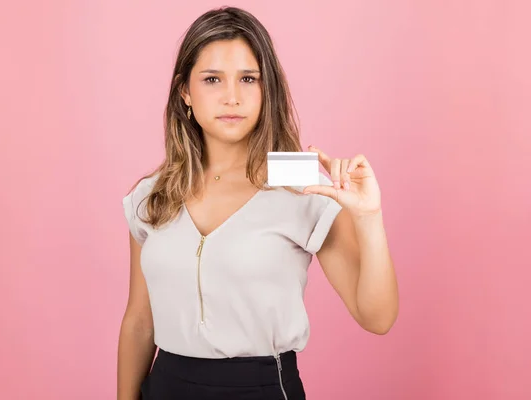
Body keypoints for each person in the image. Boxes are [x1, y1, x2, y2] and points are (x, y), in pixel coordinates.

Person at [117, 6, 399, 400]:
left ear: (268, 90)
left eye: (248, 79)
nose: (232, 97)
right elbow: (139, 322)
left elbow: (378, 317)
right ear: (185, 92)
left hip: (262, 389)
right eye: (212, 79)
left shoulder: (300, 184)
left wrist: (369, 218)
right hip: (165, 386)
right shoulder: (153, 194)